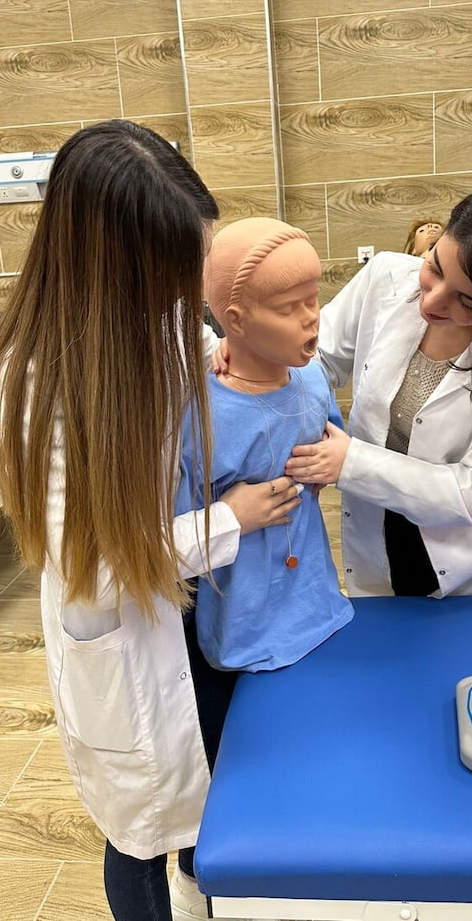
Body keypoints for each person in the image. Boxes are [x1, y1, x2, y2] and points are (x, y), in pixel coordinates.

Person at [0, 120, 301, 921]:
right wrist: (230, 519)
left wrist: (216, 351)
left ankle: (212, 897)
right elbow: (98, 562)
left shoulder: (158, 320)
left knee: (211, 794)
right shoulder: (34, 387)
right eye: (175, 271)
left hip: (189, 608)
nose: (186, 291)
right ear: (117, 268)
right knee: (140, 833)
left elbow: (180, 351)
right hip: (124, 630)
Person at [282, 174, 472, 597]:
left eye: (466, 301)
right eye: (434, 265)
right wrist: (256, 362)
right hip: (381, 540)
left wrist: (349, 463)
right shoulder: (385, 278)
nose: (431, 301)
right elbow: (314, 362)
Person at [177, 217, 353, 675]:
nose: (311, 316)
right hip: (243, 620)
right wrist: (232, 517)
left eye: (314, 299)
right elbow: (183, 521)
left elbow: (330, 451)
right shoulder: (199, 413)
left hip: (317, 599)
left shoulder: (313, 380)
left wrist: (331, 464)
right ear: (236, 320)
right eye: (289, 307)